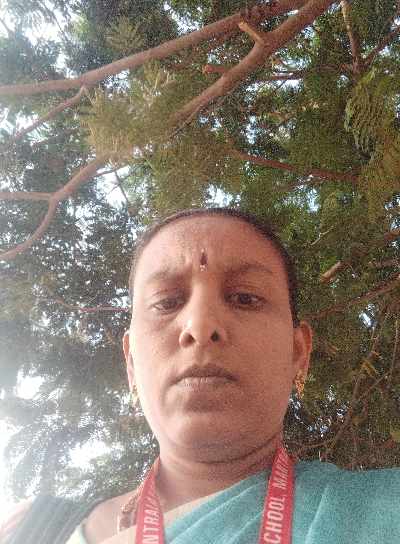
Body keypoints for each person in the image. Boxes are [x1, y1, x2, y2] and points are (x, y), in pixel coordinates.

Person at [2, 206, 400, 544]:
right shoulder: (32, 531)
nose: (201, 325)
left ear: (298, 352)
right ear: (131, 361)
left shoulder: (384, 509)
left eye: (245, 297)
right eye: (167, 302)